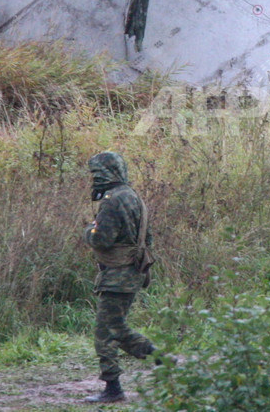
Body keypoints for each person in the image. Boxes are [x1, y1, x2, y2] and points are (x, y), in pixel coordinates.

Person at [83, 151, 157, 404]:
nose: (94, 178)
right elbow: (147, 238)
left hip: (117, 274)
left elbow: (101, 238)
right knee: (118, 328)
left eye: (96, 173)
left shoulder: (113, 200)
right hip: (132, 273)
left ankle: (113, 389)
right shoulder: (132, 196)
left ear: (106, 173)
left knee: (105, 332)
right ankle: (161, 360)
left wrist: (88, 232)